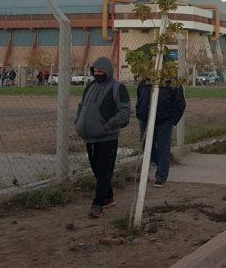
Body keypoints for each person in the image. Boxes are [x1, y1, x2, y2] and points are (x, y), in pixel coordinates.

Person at [75, 57, 131, 218]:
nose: (98, 74)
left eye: (101, 71)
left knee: (104, 171)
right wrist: (78, 121)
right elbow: (81, 105)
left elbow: (125, 112)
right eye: (96, 71)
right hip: (90, 138)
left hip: (107, 138)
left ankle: (98, 203)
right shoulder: (90, 86)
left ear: (108, 72)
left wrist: (106, 126)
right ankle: (108, 197)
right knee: (98, 171)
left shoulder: (118, 88)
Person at [136, 77, 186, 186]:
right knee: (146, 145)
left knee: (163, 148)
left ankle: (161, 176)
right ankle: (161, 164)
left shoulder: (172, 82)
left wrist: (172, 120)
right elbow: (139, 97)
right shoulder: (145, 81)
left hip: (164, 121)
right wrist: (140, 113)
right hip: (146, 120)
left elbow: (180, 103)